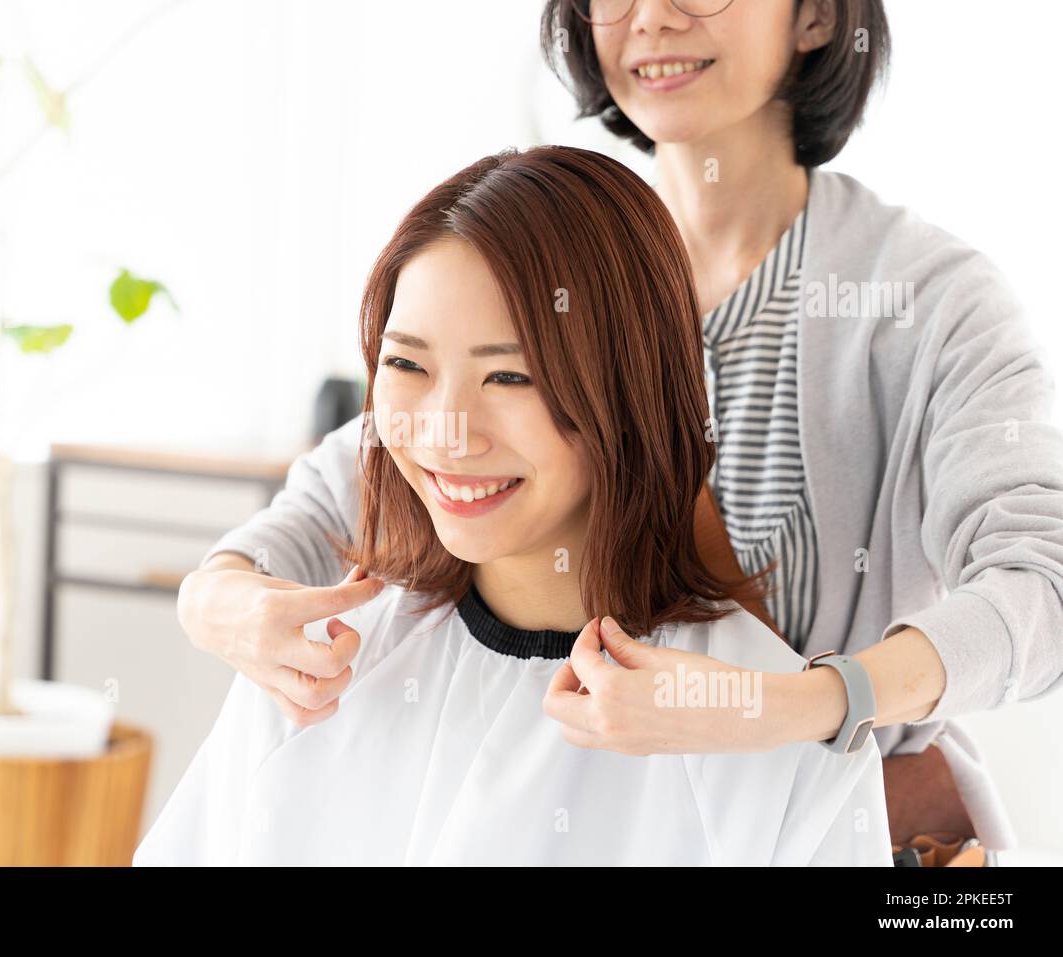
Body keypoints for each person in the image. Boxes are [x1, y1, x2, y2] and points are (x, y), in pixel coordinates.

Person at [176, 0, 1063, 853]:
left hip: (858, 830)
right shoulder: (545, 252)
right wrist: (217, 598)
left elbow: (1042, 588)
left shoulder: (928, 304)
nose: (652, 18)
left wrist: (800, 705)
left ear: (819, 14)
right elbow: (352, 486)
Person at [133, 146, 892, 866]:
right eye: (405, 364)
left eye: (511, 376)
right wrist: (212, 590)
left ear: (631, 392)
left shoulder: (766, 730)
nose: (445, 430)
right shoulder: (312, 666)